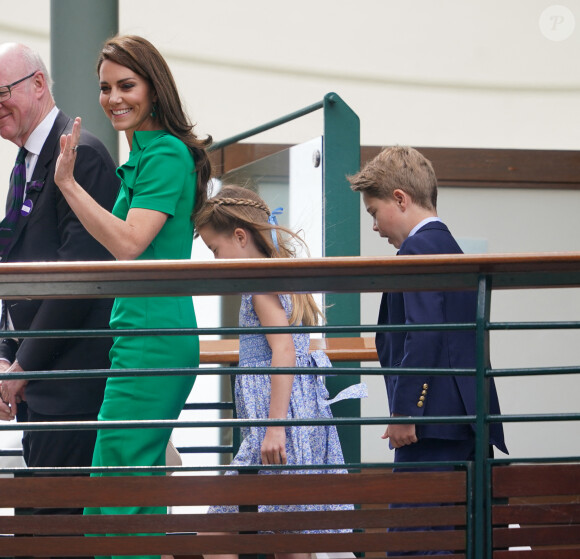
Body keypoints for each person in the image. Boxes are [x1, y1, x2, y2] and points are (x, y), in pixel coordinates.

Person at [53, 34, 212, 556]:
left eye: (127, 85)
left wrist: (70, 185)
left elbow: (128, 244)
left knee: (121, 487)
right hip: (137, 334)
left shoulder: (165, 153)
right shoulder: (148, 154)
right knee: (120, 486)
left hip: (154, 336)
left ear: (153, 88)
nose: (114, 97)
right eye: (105, 87)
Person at [349, 146, 508, 555]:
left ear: (400, 199)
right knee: (459, 539)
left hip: (432, 424)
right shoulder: (449, 245)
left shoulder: (417, 251)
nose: (374, 226)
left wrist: (406, 412)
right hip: (466, 417)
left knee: (416, 541)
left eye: (373, 212)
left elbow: (425, 334)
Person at [196, 185, 367, 559]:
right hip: (280, 424)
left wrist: (275, 428)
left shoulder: (259, 285)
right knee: (287, 530)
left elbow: (284, 348)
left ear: (240, 237)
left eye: (215, 249)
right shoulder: (273, 276)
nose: (215, 259)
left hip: (277, 427)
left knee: (244, 530)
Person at [0, 42, 118, 521]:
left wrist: (22, 364)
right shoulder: (25, 162)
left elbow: (79, 276)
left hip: (72, 386)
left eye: (2, 92)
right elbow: (15, 264)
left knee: (58, 532)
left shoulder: (82, 157)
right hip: (40, 389)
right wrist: (8, 353)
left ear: (39, 84)